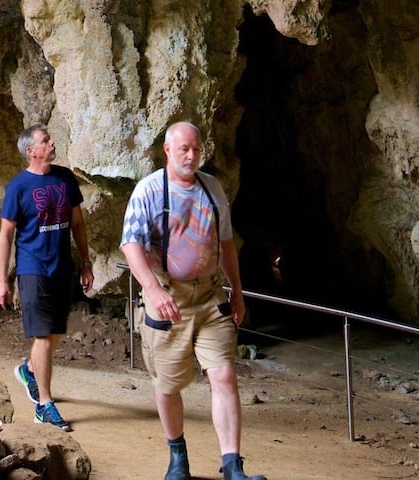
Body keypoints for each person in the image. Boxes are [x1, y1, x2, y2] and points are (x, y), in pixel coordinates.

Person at [120, 122, 263, 480]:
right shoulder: (149, 190)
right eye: (184, 149)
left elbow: (225, 243)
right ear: (167, 150)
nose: (191, 155)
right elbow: (130, 244)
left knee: (225, 374)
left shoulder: (212, 189)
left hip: (211, 294)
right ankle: (178, 456)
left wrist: (238, 291)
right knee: (168, 384)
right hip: (168, 296)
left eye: (196, 149)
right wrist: (153, 290)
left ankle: (233, 466)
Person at [0, 126, 92, 432]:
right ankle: (44, 405)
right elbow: (6, 235)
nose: (51, 143)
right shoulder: (18, 187)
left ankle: (28, 370)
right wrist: (1, 279)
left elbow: (77, 223)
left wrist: (87, 263)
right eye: (45, 141)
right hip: (33, 268)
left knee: (54, 334)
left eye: (50, 139)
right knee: (43, 336)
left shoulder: (65, 178)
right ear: (31, 151)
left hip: (62, 266)